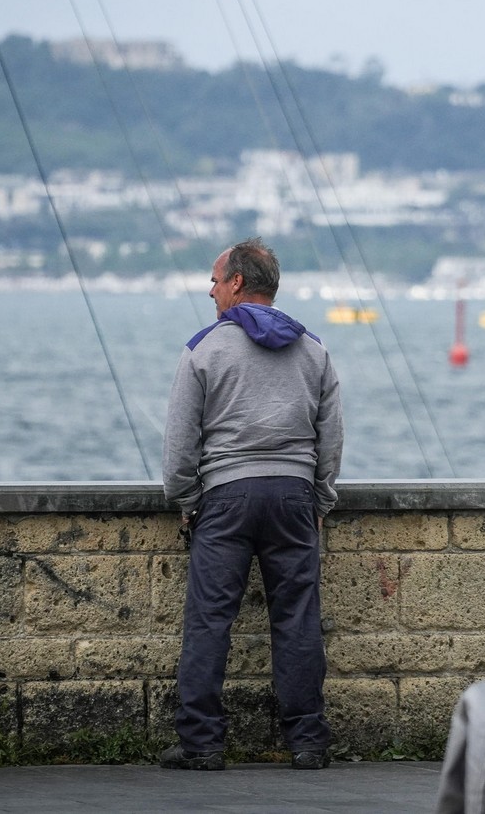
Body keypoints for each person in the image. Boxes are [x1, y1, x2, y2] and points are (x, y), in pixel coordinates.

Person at [159, 238, 342, 772]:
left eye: (215, 280)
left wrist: (187, 499)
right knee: (298, 619)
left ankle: (202, 744)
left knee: (210, 621)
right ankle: (307, 741)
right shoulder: (314, 350)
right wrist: (319, 498)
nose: (211, 290)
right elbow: (330, 438)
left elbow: (178, 448)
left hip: (225, 498)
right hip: (293, 498)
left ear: (237, 283)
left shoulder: (204, 349)